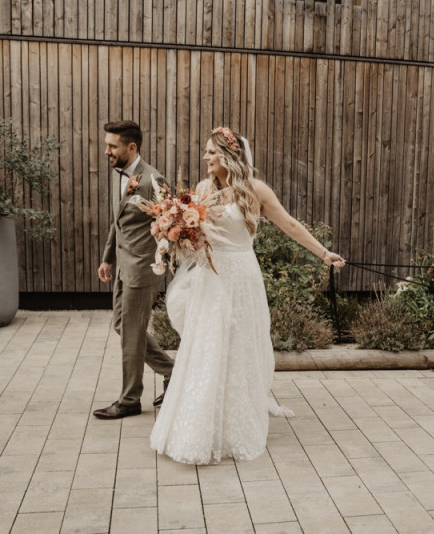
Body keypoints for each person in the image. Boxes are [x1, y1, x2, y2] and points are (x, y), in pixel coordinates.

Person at [150, 126, 345, 464]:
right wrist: (173, 236)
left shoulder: (255, 190)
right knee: (207, 345)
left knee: (238, 344)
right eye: (206, 152)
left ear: (229, 155)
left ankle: (234, 423)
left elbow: (290, 224)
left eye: (212, 152)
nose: (206, 157)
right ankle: (197, 423)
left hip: (241, 277)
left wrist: (323, 252)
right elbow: (195, 239)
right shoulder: (201, 189)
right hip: (210, 278)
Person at [93, 120, 175, 419]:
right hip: (122, 266)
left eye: (112, 146)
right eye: (106, 145)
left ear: (132, 147)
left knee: (130, 332)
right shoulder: (122, 175)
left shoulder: (154, 180)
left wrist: (160, 261)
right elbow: (120, 222)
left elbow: (172, 225)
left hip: (142, 268)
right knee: (122, 326)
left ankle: (129, 400)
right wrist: (107, 258)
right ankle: (173, 372)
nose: (107, 151)